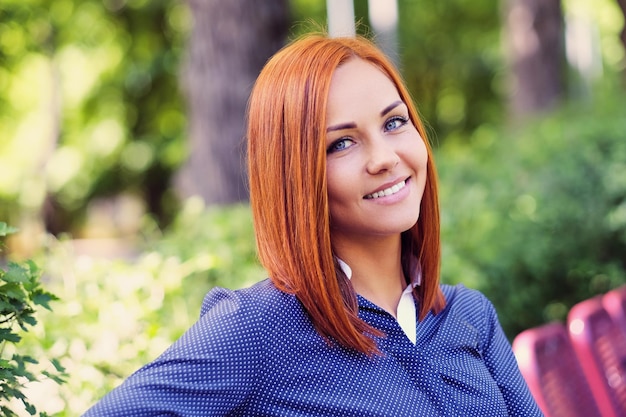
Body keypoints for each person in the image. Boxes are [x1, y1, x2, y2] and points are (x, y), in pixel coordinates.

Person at [83, 33, 543, 416]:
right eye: (341, 144)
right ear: (294, 175)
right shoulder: (258, 331)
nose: (385, 158)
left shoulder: (469, 316)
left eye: (395, 122)